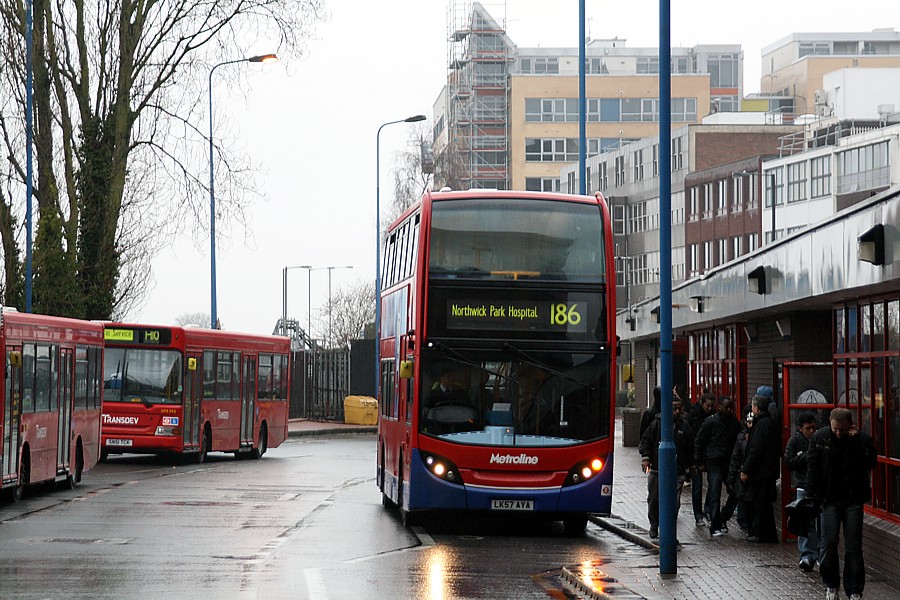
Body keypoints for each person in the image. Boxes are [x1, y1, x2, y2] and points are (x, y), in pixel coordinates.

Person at [806, 408, 876, 600]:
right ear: (830, 422)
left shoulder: (859, 440)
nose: (839, 433)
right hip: (828, 499)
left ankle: (854, 589)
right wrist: (811, 497)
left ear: (850, 425)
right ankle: (831, 584)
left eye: (843, 430)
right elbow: (812, 467)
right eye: (836, 429)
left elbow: (871, 462)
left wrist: (856, 442)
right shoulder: (820, 438)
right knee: (828, 543)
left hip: (852, 498)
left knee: (853, 546)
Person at [639, 397, 694, 539]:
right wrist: (646, 458)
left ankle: (669, 531)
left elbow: (690, 448)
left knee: (674, 503)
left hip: (678, 472)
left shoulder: (685, 427)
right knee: (654, 499)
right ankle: (654, 524)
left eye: (679, 409)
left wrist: (690, 467)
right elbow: (645, 441)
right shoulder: (657, 424)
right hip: (657, 470)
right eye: (674, 408)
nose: (677, 411)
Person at [694, 395, 741, 537]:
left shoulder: (734, 423)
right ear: (719, 407)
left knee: (736, 491)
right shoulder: (711, 422)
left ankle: (721, 518)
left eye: (730, 407)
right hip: (714, 462)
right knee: (715, 493)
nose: (729, 410)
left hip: (727, 463)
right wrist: (700, 462)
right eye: (726, 407)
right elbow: (699, 441)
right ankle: (715, 525)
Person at [740, 394, 781, 543]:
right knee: (764, 503)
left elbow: (756, 449)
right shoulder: (768, 422)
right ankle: (767, 533)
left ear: (756, 407)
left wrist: (746, 469)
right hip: (767, 471)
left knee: (759, 503)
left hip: (761, 473)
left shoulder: (762, 424)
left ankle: (761, 532)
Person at [785, 411, 820, 572]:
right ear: (800, 429)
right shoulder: (794, 441)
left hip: (820, 487)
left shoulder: (820, 439)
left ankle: (819, 555)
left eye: (814, 427)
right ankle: (807, 555)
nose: (812, 431)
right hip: (803, 485)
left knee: (821, 522)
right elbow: (789, 462)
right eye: (808, 428)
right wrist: (806, 456)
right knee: (806, 522)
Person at [686, 391, 716, 526]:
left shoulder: (714, 417)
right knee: (697, 486)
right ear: (702, 403)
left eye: (711, 406)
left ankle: (707, 510)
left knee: (713, 485)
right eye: (707, 406)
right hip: (695, 456)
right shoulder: (694, 415)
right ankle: (698, 514)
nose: (709, 408)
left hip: (709, 456)